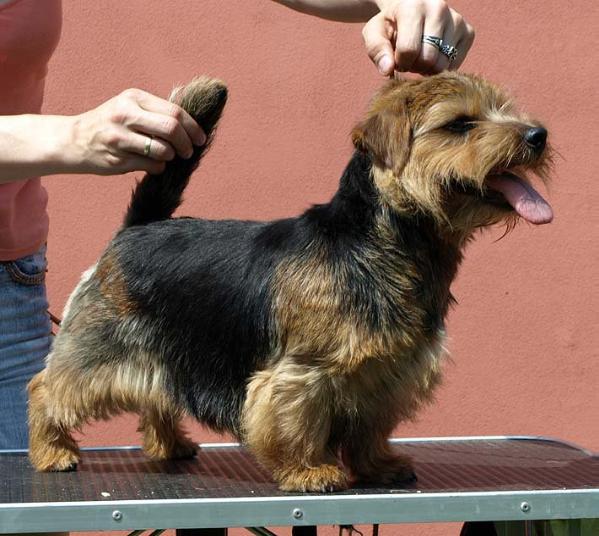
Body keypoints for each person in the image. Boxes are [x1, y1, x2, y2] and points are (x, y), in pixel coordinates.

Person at [0, 0, 474, 449]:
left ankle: (165, 421)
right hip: (87, 269)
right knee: (54, 422)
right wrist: (71, 136)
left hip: (15, 273)